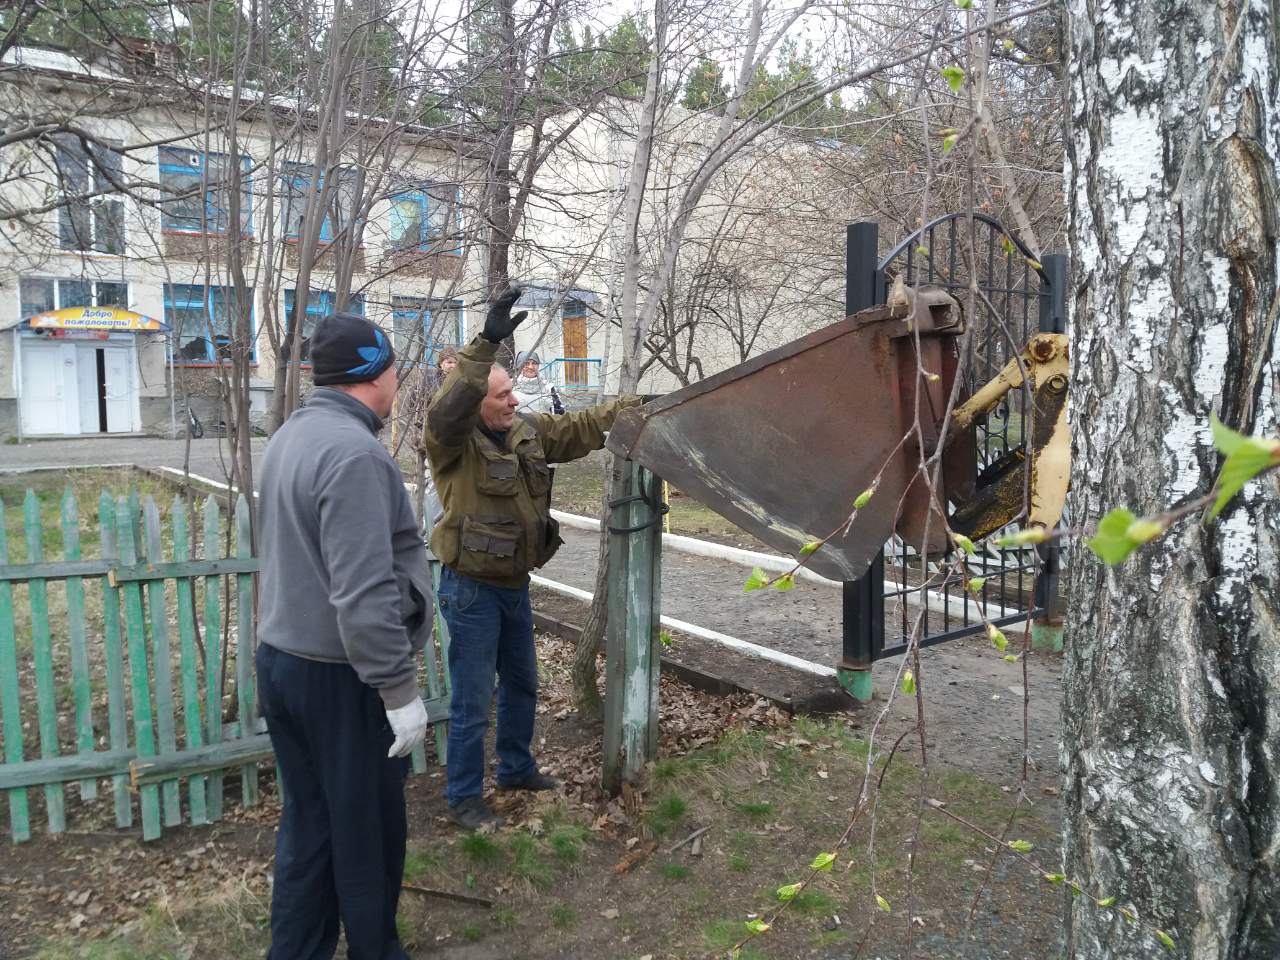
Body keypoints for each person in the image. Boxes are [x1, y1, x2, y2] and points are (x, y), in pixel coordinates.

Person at [423, 287, 638, 829]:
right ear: (476, 403)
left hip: (514, 585)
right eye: (502, 395)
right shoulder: (452, 443)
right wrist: (486, 342)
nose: (514, 401)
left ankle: (516, 769)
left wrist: (631, 410)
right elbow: (448, 407)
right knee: (473, 699)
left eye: (513, 392)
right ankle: (463, 796)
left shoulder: (526, 431)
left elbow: (579, 429)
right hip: (470, 590)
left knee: (522, 685)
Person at [255, 311, 433, 960]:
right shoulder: (354, 454)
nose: (397, 381)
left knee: (312, 829)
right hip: (342, 678)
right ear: (375, 373)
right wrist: (399, 692)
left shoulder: (291, 436)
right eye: (394, 368)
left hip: (282, 662)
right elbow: (363, 592)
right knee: (367, 837)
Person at [512, 350, 564, 414]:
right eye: (526, 363)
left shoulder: (548, 388)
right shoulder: (510, 387)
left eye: (534, 363)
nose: (531, 367)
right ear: (519, 366)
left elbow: (559, 415)